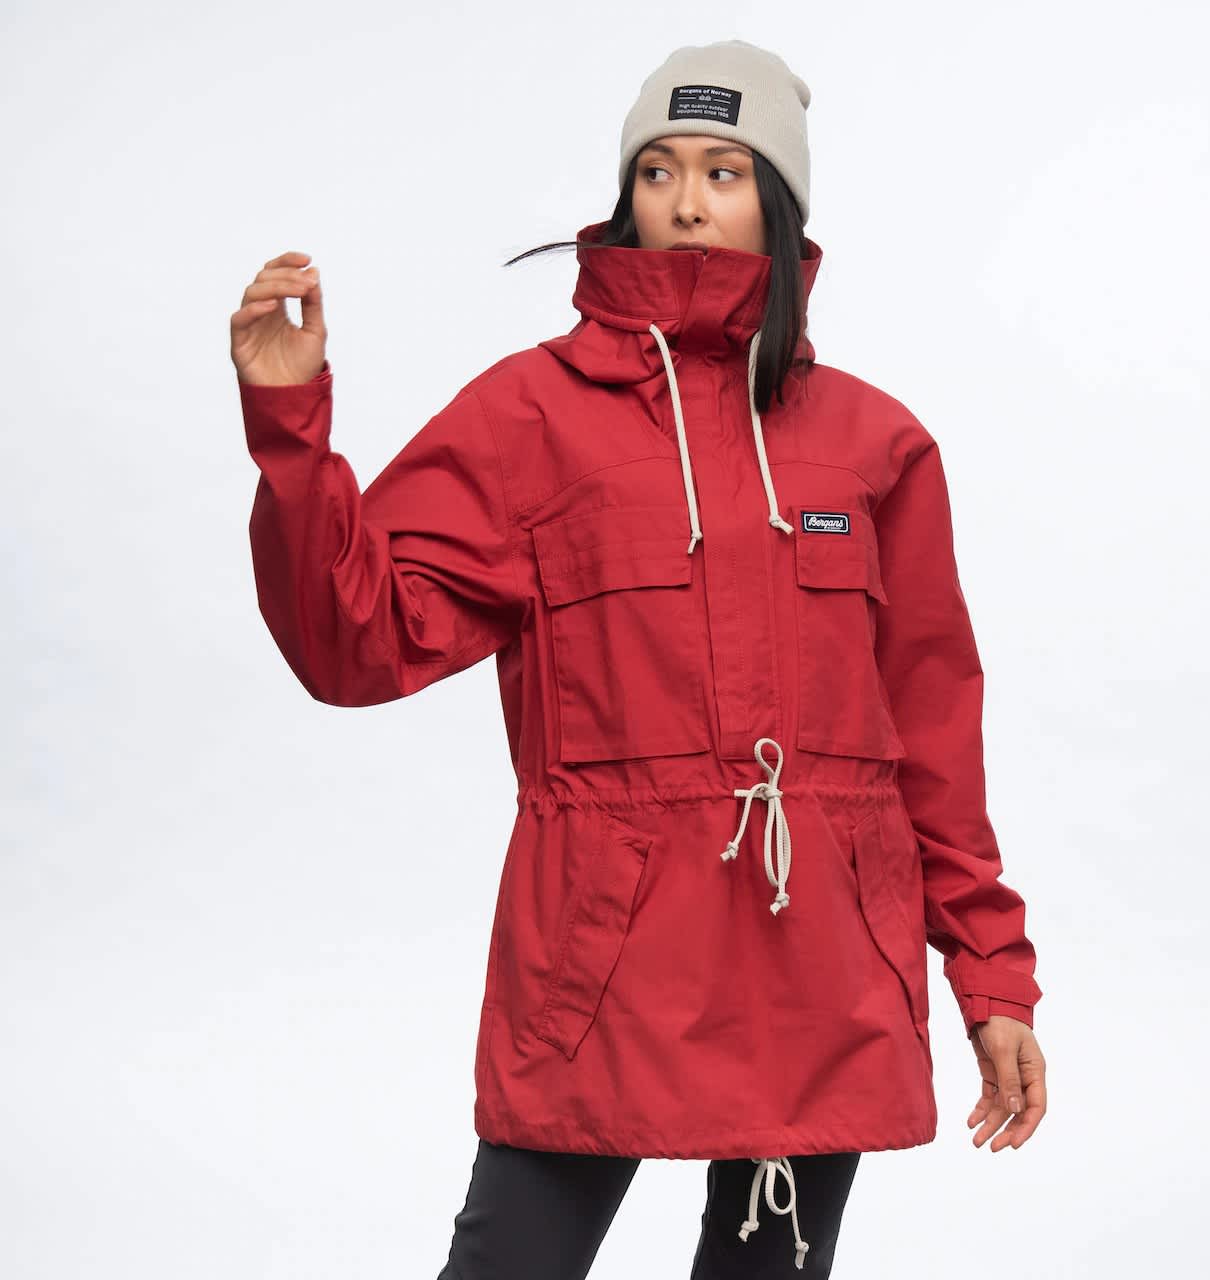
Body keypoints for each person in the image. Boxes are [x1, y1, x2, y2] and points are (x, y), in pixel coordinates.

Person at [229, 38, 1048, 1279]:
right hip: (600, 963)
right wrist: (291, 431)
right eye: (656, 170)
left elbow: (933, 735)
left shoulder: (873, 443)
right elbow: (353, 640)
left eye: (724, 170)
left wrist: (990, 977)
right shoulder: (530, 416)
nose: (685, 200)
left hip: (818, 962)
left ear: (777, 203)